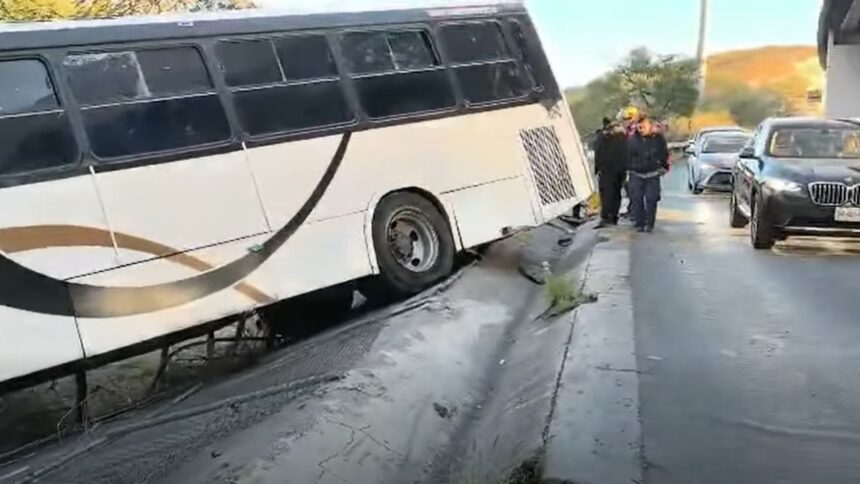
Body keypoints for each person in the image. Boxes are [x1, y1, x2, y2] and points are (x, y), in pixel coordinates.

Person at [626, 116, 669, 233]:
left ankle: (650, 223)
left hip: (653, 173)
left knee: (651, 199)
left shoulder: (658, 139)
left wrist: (665, 167)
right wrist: (628, 168)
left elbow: (664, 153)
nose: (641, 129)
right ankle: (639, 223)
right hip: (636, 173)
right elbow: (626, 155)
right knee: (636, 199)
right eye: (639, 127)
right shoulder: (632, 140)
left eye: (643, 126)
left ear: (650, 126)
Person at [594, 119, 628, 227]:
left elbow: (598, 153)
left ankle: (606, 217)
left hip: (606, 169)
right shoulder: (624, 136)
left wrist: (597, 169)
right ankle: (614, 216)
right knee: (616, 193)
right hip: (620, 170)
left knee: (606, 194)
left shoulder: (603, 137)